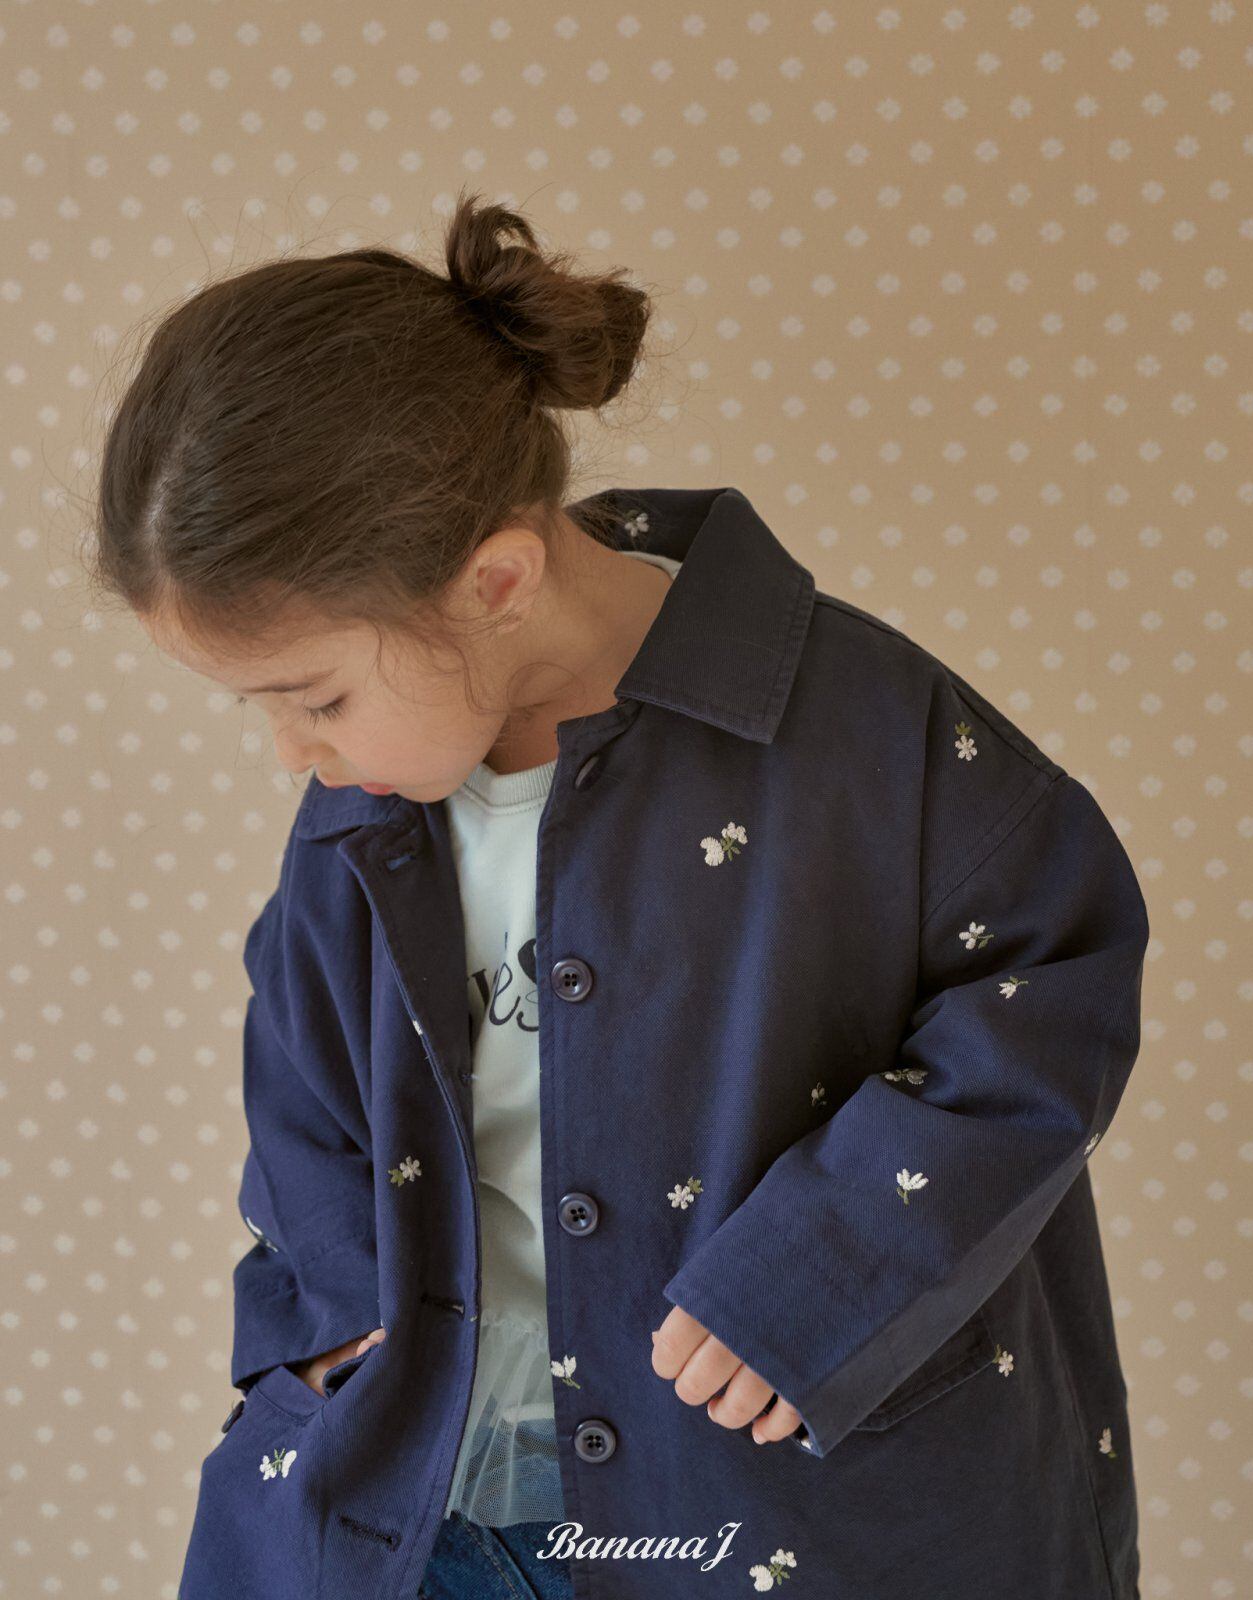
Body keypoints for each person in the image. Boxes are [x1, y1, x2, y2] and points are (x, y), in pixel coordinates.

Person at [87, 188, 1150, 1600]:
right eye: (264, 710)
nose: (293, 752)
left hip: (776, 1507)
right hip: (428, 1505)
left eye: (315, 696)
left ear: (497, 581)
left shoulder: (866, 737)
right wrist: (324, 1314)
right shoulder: (372, 795)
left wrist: (823, 1273)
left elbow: (1049, 983)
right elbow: (302, 1070)